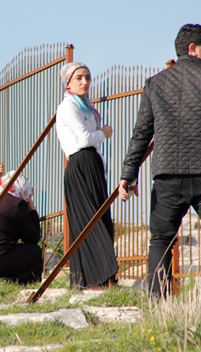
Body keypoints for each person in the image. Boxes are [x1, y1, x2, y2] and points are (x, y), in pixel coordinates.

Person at [119, 24, 201, 307]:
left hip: (168, 178)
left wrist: (128, 174)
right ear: (193, 48)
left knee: (161, 240)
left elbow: (142, 133)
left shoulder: (155, 83)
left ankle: (158, 307)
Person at [56, 62, 117, 290]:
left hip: (91, 163)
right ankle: (91, 279)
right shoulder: (68, 107)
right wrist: (104, 133)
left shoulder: (84, 105)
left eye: (88, 77)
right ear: (68, 82)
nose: (85, 82)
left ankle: (99, 278)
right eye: (79, 78)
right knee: (88, 222)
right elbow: (83, 140)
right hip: (80, 163)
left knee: (98, 218)